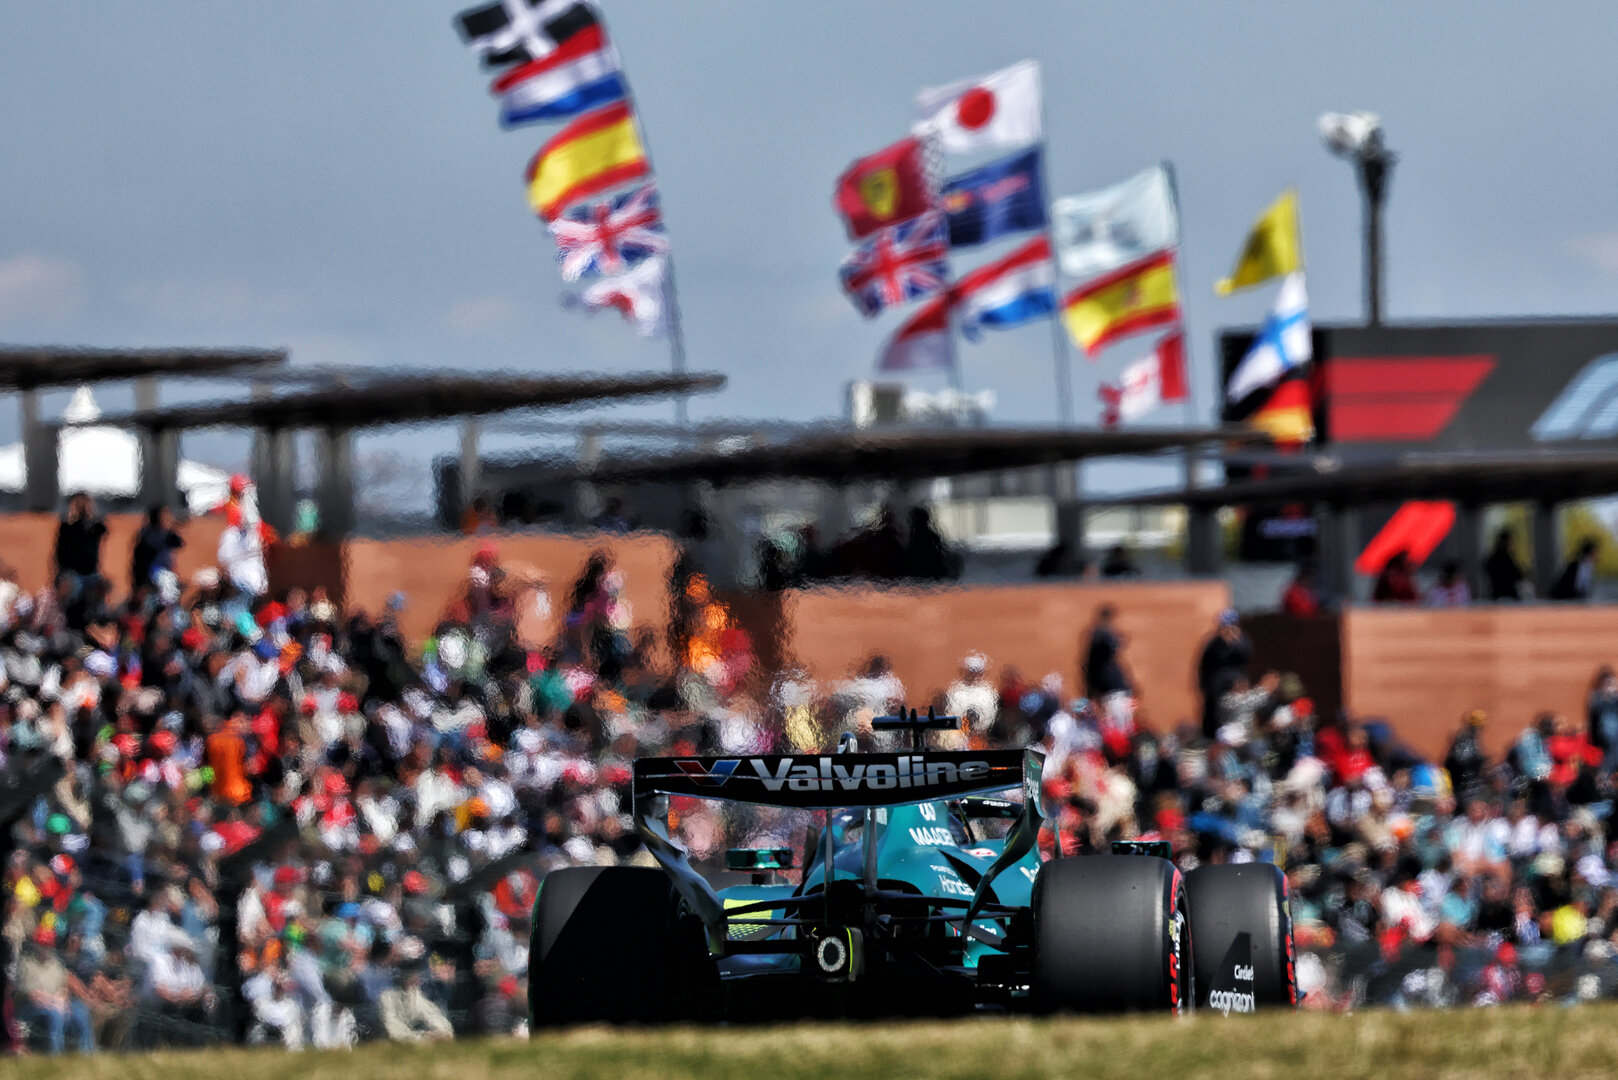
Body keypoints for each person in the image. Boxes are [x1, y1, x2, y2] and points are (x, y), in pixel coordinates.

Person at [1197, 609, 1251, 740]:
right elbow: (1204, 665)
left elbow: (1245, 656)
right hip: (1216, 688)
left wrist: (1234, 642)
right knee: (1213, 717)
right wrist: (1204, 686)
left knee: (1237, 716)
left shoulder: (1243, 641)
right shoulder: (1213, 644)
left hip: (1236, 687)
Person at [53, 492, 107, 592]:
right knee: (72, 594)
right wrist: (73, 513)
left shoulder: (93, 526)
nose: (81, 506)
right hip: (72, 573)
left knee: (101, 589)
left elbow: (102, 529)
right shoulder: (67, 526)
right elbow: (60, 550)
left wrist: (90, 512)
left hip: (90, 571)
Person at [1082, 605, 1131, 702]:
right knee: (1121, 695)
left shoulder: (1094, 632)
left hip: (1094, 675)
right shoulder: (1104, 632)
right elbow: (1114, 645)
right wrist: (1120, 640)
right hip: (1106, 677)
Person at [131, 505, 184, 589]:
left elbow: (179, 543)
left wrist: (173, 529)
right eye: (162, 516)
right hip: (152, 571)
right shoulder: (147, 534)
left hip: (164, 569)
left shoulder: (165, 533)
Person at [1485, 529, 1527, 601]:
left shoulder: (1496, 558)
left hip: (1498, 593)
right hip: (1504, 593)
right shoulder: (1504, 559)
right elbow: (1517, 574)